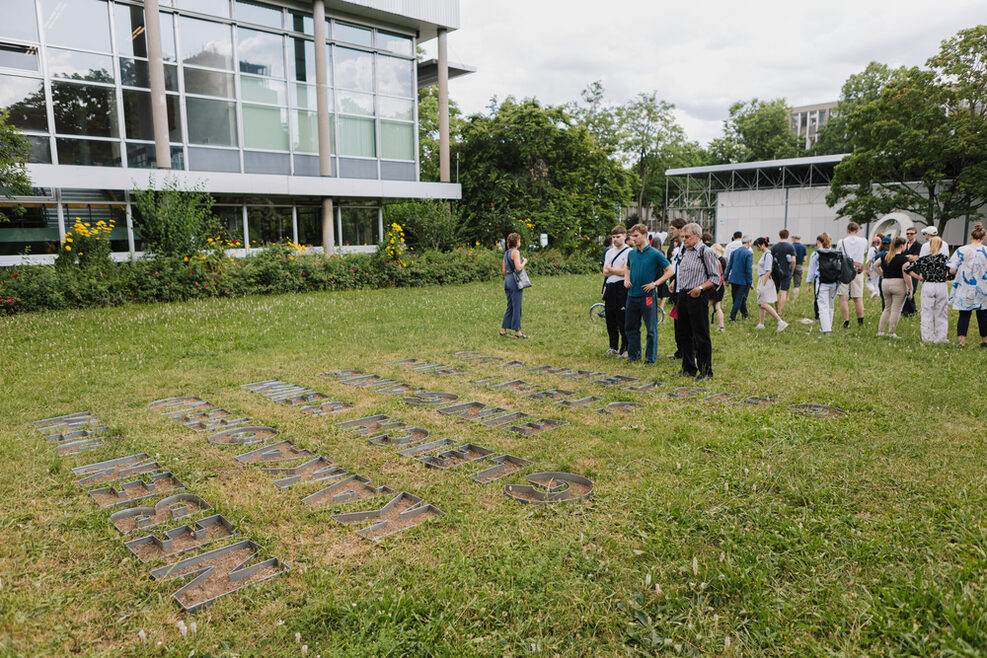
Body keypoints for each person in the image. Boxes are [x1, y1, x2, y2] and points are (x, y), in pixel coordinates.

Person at [673, 223, 722, 380]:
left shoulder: (705, 252)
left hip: (698, 297)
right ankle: (688, 368)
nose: (684, 240)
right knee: (683, 334)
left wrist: (700, 288)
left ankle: (706, 371)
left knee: (701, 335)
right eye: (683, 237)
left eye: (687, 237)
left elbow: (715, 278)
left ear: (697, 236)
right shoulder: (686, 251)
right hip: (683, 295)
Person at [623, 223, 674, 363]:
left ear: (644, 235)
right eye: (631, 236)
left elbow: (670, 271)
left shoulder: (655, 254)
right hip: (632, 295)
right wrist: (626, 279)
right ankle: (634, 356)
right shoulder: (631, 253)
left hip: (647, 297)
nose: (633, 239)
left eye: (636, 236)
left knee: (651, 329)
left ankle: (650, 359)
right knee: (631, 327)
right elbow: (627, 268)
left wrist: (655, 283)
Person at [947, 223, 987, 347]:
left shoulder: (961, 250)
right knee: (983, 315)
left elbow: (952, 270)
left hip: (965, 287)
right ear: (984, 237)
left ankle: (962, 342)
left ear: (971, 236)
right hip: (983, 286)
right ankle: (985, 341)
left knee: (964, 315)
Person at [905, 236, 950, 344]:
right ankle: (941, 338)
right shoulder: (945, 258)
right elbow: (953, 271)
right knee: (941, 312)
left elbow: (907, 269)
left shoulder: (924, 259)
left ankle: (927, 337)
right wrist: (947, 278)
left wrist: (919, 277)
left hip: (928, 284)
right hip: (941, 285)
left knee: (926, 312)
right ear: (940, 246)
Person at [602, 225, 631, 356]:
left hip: (621, 286)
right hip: (610, 286)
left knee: (622, 318)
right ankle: (613, 346)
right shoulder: (609, 252)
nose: (615, 240)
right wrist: (613, 270)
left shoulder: (629, 251)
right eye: (613, 237)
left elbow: (625, 271)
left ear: (624, 236)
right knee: (610, 317)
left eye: (618, 237)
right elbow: (604, 272)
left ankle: (625, 347)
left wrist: (611, 269)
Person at [875, 237, 912, 338]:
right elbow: (906, 274)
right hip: (898, 283)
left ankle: (880, 331)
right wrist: (910, 288)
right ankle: (891, 332)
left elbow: (875, 265)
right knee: (896, 309)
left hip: (886, 282)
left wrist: (882, 274)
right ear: (901, 246)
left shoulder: (885, 256)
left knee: (887, 308)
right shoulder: (904, 259)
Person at [805, 233, 841, 334]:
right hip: (834, 283)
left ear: (818, 242)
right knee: (830, 305)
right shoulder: (835, 253)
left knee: (823, 306)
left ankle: (826, 329)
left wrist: (809, 284)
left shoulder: (816, 254)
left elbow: (811, 271)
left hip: (822, 283)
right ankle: (828, 325)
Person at [836, 222, 869, 328]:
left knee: (843, 297)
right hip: (857, 271)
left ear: (847, 229)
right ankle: (860, 321)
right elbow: (864, 252)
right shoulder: (864, 241)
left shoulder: (841, 242)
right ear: (857, 230)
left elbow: (838, 254)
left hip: (844, 270)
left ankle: (846, 321)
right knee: (858, 298)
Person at [664, 218, 687, 359]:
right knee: (678, 324)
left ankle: (690, 352)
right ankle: (680, 351)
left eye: (672, 228)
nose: (670, 231)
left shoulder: (688, 247)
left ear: (680, 229)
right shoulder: (678, 248)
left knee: (686, 325)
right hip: (677, 290)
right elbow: (678, 267)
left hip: (686, 291)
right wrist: (674, 281)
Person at [754, 237, 788, 332]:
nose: (757, 248)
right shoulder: (765, 254)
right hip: (763, 279)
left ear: (762, 245)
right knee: (760, 303)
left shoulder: (768, 255)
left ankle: (780, 322)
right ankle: (761, 324)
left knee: (764, 303)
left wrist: (763, 284)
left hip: (766, 280)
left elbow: (768, 270)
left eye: (757, 246)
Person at [500, 232, 528, 339]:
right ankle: (518, 332)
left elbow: (504, 270)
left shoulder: (506, 253)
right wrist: (524, 262)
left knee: (510, 306)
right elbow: (518, 268)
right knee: (517, 307)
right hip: (514, 282)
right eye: (519, 240)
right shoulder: (516, 252)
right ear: (516, 242)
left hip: (507, 280)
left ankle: (503, 330)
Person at [724, 236, 753, 321]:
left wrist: (726, 278)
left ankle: (745, 315)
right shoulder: (748, 253)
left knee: (738, 298)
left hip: (733, 279)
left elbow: (729, 266)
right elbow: (748, 269)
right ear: (748, 242)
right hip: (743, 280)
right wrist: (750, 282)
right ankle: (732, 317)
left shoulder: (734, 252)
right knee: (739, 299)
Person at [770, 229, 796, 315]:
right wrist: (791, 271)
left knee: (776, 291)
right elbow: (793, 261)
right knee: (784, 292)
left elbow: (771, 260)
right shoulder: (790, 247)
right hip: (786, 271)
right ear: (787, 236)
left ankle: (776, 309)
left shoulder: (774, 247)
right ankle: (780, 312)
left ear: (779, 235)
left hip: (776, 272)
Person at [901, 226, 922, 317]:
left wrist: (908, 257)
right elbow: (901, 256)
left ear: (916, 234)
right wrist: (909, 257)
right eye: (907, 233)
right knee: (905, 290)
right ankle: (908, 311)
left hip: (914, 271)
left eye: (911, 233)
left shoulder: (918, 245)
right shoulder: (904, 245)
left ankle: (911, 310)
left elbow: (916, 258)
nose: (909, 235)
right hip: (904, 271)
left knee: (912, 290)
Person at [709, 243, 726, 332]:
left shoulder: (719, 261)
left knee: (707, 306)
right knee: (717, 307)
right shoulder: (720, 259)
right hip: (718, 286)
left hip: (716, 287)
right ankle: (721, 326)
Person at [865, 235, 882, 299]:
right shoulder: (880, 249)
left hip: (872, 267)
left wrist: (866, 269)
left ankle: (873, 292)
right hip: (879, 267)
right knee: (876, 282)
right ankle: (876, 296)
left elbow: (869, 260)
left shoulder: (872, 249)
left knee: (868, 282)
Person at [791, 235, 807, 303]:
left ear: (794, 239)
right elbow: (805, 259)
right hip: (799, 266)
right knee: (796, 284)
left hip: (790, 266)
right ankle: (794, 299)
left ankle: (787, 297)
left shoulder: (791, 246)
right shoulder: (803, 247)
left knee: (788, 282)